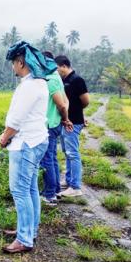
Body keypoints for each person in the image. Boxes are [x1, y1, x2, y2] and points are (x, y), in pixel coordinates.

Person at [0, 41, 50, 253]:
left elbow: (16, 120)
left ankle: (25, 239)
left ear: (21, 62)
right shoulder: (40, 83)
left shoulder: (29, 86)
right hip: (36, 140)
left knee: (19, 190)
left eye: (14, 63)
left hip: (25, 143)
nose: (13, 67)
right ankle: (29, 230)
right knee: (29, 189)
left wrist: (4, 138)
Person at [40, 52, 73, 206]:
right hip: (55, 123)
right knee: (52, 157)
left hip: (50, 124)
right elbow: (66, 101)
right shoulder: (56, 77)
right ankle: (57, 189)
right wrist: (64, 118)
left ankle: (49, 194)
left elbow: (61, 104)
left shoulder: (51, 79)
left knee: (47, 159)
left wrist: (65, 118)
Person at [55, 55, 89, 197]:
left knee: (73, 153)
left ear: (64, 65)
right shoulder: (64, 80)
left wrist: (77, 113)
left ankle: (75, 186)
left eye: (57, 68)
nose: (56, 72)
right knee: (67, 153)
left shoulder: (77, 80)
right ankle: (69, 181)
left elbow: (86, 101)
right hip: (66, 122)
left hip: (73, 122)